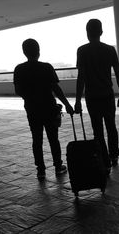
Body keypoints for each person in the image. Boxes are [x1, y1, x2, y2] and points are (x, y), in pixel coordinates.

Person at [14, 38, 74, 179]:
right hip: (49, 108)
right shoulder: (46, 67)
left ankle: (40, 170)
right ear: (38, 51)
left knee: (37, 139)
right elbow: (56, 88)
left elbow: (18, 91)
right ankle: (58, 166)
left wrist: (30, 97)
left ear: (24, 52)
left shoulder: (19, 69)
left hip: (32, 109)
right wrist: (67, 104)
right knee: (53, 138)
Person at [74, 19, 119, 173]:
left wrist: (77, 100)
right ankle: (114, 156)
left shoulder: (82, 51)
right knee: (111, 127)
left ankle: (105, 161)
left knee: (98, 131)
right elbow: (118, 74)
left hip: (92, 97)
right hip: (107, 95)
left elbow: (81, 77)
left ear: (87, 33)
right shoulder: (110, 50)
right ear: (101, 32)